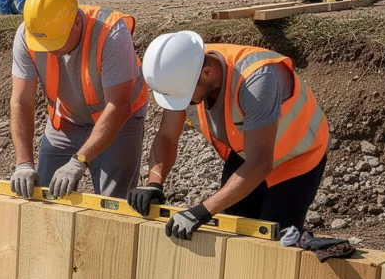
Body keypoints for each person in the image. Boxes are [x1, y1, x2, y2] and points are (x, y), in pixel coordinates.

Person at [131, 31, 330, 238]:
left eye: (184, 97)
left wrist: (201, 211)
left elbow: (260, 163)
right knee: (233, 231)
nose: (183, 103)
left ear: (207, 73)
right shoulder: (184, 72)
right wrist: (154, 182)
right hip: (246, 154)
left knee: (273, 239)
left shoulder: (258, 80)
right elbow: (167, 137)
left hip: (296, 159)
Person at [7, 0, 150, 200]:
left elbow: (118, 106)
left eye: (56, 42)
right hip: (67, 120)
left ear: (76, 22)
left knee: (111, 202)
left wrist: (79, 160)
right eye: (43, 44)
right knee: (46, 195)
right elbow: (21, 101)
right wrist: (24, 163)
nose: (50, 50)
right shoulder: (28, 35)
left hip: (118, 119)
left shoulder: (111, 32)